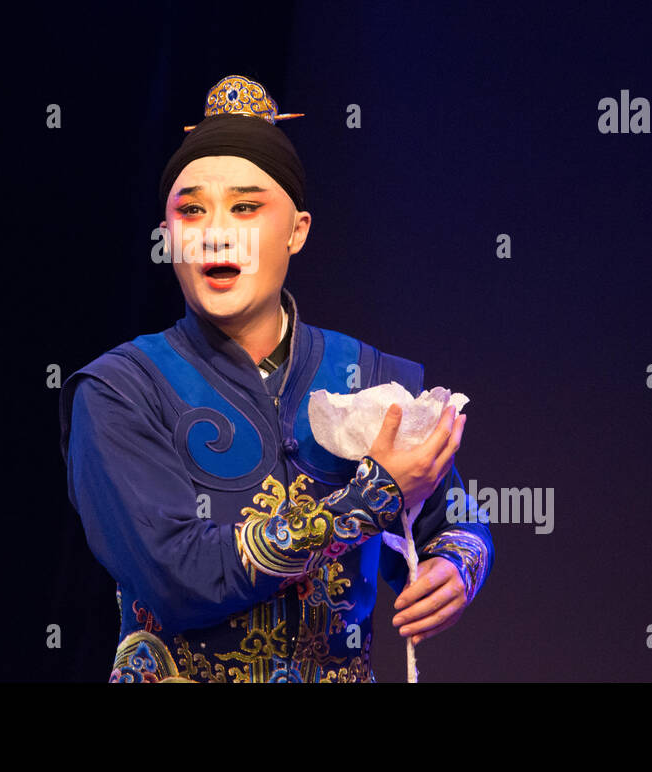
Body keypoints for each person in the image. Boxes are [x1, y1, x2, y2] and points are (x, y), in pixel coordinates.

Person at [58, 74, 492, 682]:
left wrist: (456, 564)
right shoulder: (120, 392)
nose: (216, 230)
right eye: (190, 210)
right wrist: (368, 501)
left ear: (297, 230)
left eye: (245, 206)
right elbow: (178, 576)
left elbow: (451, 515)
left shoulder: (368, 376)